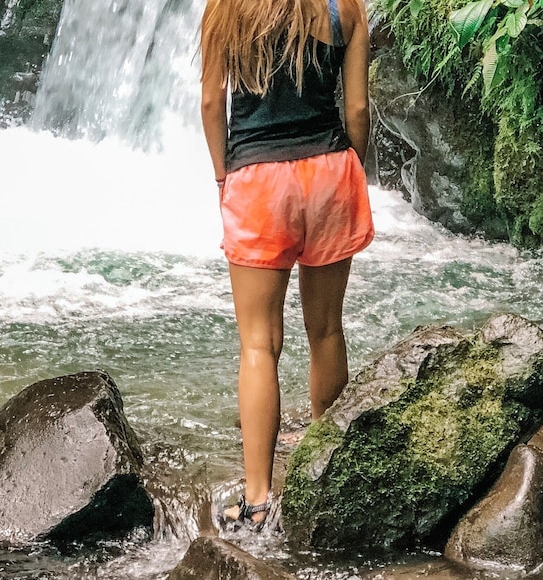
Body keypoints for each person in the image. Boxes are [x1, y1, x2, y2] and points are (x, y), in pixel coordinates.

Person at [200, 0, 374, 528]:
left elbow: (211, 103)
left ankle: (257, 499)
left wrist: (221, 177)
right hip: (329, 170)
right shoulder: (346, 8)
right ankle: (326, 462)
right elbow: (358, 112)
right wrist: (352, 172)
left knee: (258, 344)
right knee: (325, 331)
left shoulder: (224, 8)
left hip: (257, 179)